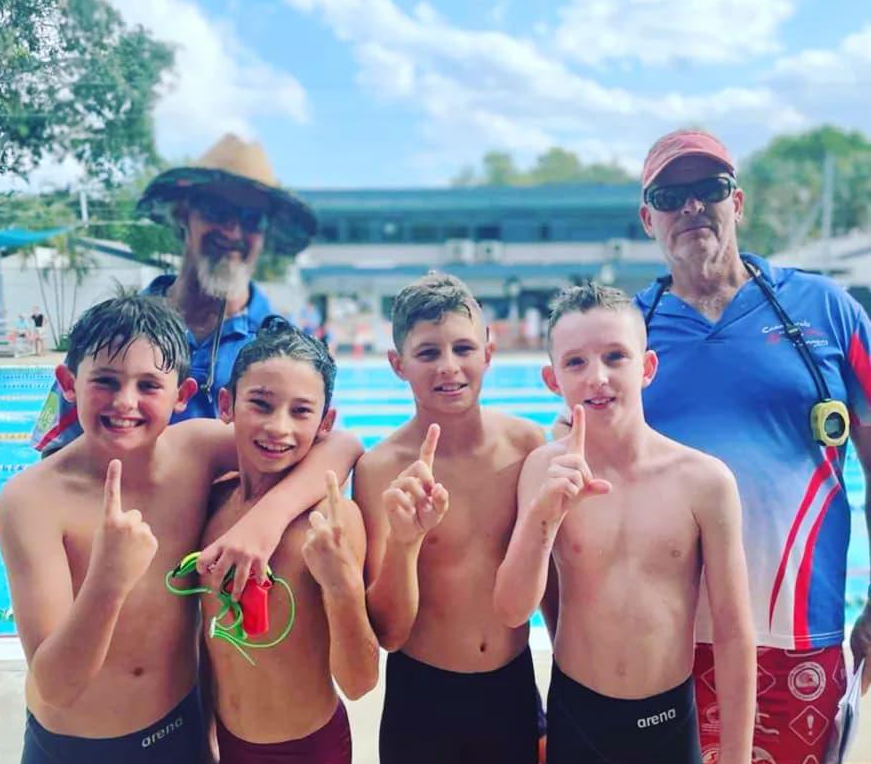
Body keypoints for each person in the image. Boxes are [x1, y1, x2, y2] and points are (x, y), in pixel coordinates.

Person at [558, 129, 871, 762]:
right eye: (670, 196)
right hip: (666, 648)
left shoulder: (826, 310)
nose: (692, 206)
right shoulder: (625, 337)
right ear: (648, 219)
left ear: (739, 202)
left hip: (800, 634)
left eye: (711, 188)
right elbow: (570, 473)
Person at [0, 294, 359, 763]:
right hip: (73, 748)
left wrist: (264, 523)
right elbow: (57, 686)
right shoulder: (31, 500)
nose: (125, 402)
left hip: (179, 735)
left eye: (148, 385)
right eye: (105, 381)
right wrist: (108, 581)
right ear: (68, 383)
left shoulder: (195, 451)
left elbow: (340, 446)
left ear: (182, 394)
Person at [29, 133, 338, 583]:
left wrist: (266, 518)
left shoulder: (282, 348)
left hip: (228, 587)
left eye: (251, 219)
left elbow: (332, 450)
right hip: (129, 582)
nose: (232, 232)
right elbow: (55, 463)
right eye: (216, 211)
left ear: (264, 234)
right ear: (182, 214)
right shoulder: (114, 336)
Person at [500, 283, 755, 764]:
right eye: (575, 362)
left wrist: (737, 757)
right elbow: (514, 611)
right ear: (553, 379)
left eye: (615, 356)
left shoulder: (705, 481)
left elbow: (733, 633)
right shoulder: (543, 470)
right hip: (578, 716)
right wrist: (543, 517)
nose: (597, 377)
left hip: (668, 723)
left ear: (647, 367)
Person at [352, 272, 546, 764]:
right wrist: (405, 543)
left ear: (489, 352)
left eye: (463, 348)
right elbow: (389, 633)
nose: (449, 367)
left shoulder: (527, 445)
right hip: (423, 698)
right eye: (427, 353)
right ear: (397, 364)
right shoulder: (380, 470)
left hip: (512, 689)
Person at [199, 318, 378, 763]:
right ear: (226, 404)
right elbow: (206, 643)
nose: (278, 427)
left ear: (325, 422)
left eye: (300, 412)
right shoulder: (212, 503)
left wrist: (341, 586)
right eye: (261, 404)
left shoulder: (332, 523)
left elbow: (359, 683)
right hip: (227, 740)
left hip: (309, 749)